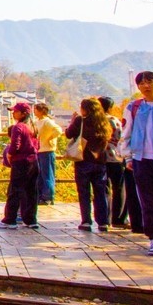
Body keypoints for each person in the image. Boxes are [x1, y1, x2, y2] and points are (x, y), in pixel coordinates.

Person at [118, 70, 153, 255]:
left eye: (149, 82)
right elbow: (126, 133)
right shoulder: (134, 107)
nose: (145, 86)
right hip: (142, 160)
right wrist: (128, 156)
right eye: (141, 83)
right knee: (148, 200)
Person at [66, 97, 112, 232]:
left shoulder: (80, 121)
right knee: (100, 192)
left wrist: (73, 120)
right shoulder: (104, 122)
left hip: (83, 160)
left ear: (84, 109)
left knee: (84, 192)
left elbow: (68, 134)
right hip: (100, 161)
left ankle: (86, 221)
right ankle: (103, 222)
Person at [0, 102, 40, 229]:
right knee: (31, 191)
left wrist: (9, 155)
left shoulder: (18, 127)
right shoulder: (33, 127)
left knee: (15, 191)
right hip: (33, 161)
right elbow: (38, 145)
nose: (13, 113)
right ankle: (31, 219)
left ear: (23, 113)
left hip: (21, 161)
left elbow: (15, 145)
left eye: (15, 111)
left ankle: (10, 219)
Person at [99, 96, 128, 229]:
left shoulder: (95, 121)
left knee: (103, 189)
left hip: (99, 158)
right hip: (115, 157)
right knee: (119, 188)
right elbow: (122, 136)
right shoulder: (114, 120)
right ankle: (119, 218)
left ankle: (105, 218)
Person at [32, 103, 63, 205]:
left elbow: (58, 130)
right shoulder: (37, 121)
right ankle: (40, 195)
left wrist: (50, 138)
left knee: (47, 174)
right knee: (40, 175)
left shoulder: (47, 121)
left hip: (47, 150)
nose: (34, 111)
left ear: (41, 111)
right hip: (39, 150)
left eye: (36, 109)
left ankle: (48, 197)